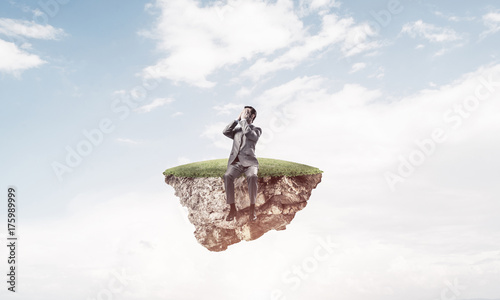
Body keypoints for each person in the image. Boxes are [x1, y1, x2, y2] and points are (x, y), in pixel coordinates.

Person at [222, 106, 262, 222]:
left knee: (252, 176)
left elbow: (249, 134)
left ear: (253, 116)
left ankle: (252, 209)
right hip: (236, 162)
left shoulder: (256, 130)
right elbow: (225, 132)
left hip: (250, 163)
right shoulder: (237, 130)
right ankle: (232, 208)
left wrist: (243, 121)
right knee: (227, 176)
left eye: (247, 112)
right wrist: (237, 119)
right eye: (244, 111)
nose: (245, 113)